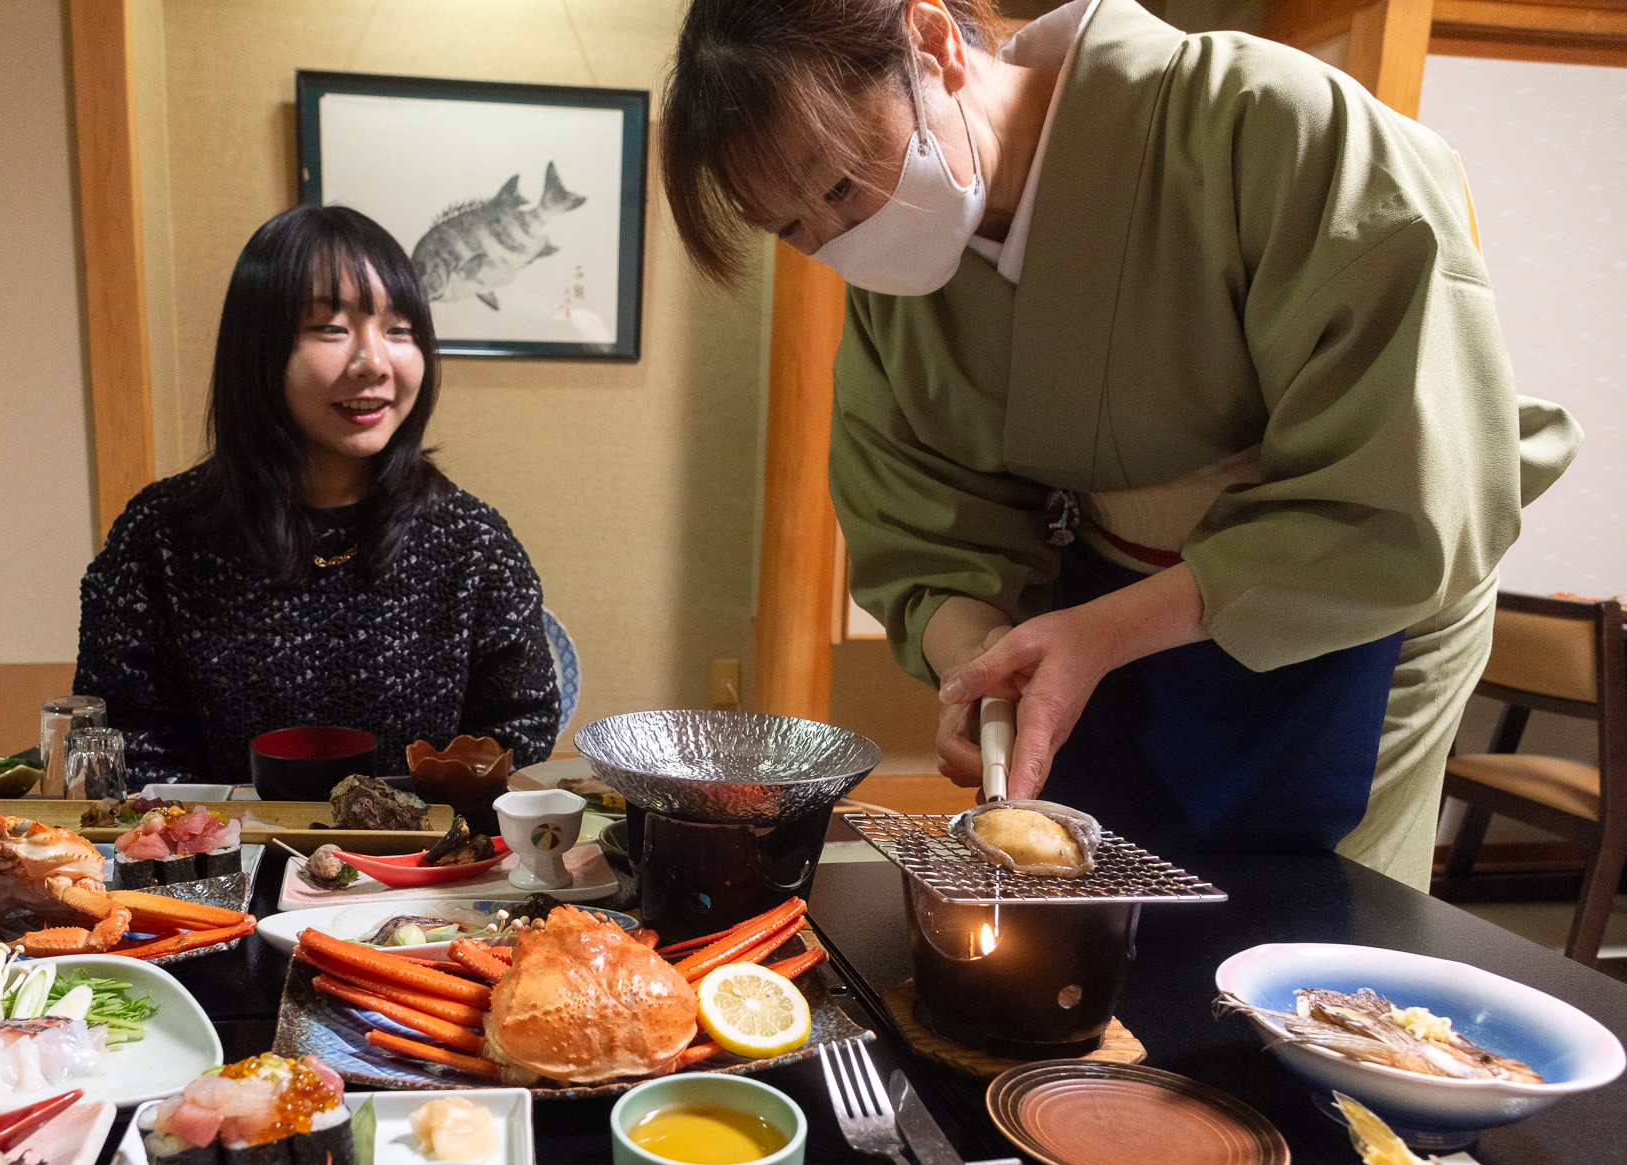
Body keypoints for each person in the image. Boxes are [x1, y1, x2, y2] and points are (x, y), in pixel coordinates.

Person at [660, 0, 1580, 886]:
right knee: (1104, 917)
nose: (841, 242)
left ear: (933, 41)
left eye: (838, 187)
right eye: (796, 230)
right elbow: (921, 523)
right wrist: (981, 668)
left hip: (1342, 603)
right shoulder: (903, 275)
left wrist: (1101, 633)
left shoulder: (1265, 123)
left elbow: (1403, 486)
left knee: (1317, 948)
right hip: (1092, 622)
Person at [74, 205, 560, 784]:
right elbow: (123, 746)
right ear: (257, 348)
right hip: (221, 867)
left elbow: (519, 728)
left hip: (421, 868)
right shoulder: (162, 537)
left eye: (400, 330)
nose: (375, 362)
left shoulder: (470, 541)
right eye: (331, 327)